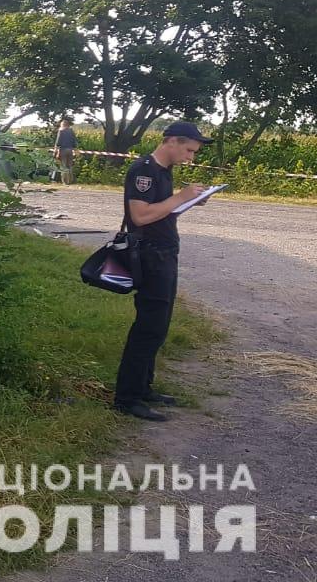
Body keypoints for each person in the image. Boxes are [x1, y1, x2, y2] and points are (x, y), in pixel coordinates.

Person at [114, 121, 211, 421]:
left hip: (165, 255)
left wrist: (189, 201)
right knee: (148, 327)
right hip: (150, 257)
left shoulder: (163, 171)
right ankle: (127, 398)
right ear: (172, 141)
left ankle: (144, 388)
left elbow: (162, 212)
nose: (191, 158)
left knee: (160, 325)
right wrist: (180, 197)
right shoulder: (144, 171)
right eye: (189, 150)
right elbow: (140, 217)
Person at [53, 119, 78, 184]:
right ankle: (71, 180)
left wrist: (55, 151)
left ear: (62, 125)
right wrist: (75, 150)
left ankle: (65, 181)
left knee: (63, 166)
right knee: (70, 166)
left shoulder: (61, 131)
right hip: (70, 150)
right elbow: (74, 142)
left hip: (63, 150)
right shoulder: (71, 131)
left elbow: (58, 142)